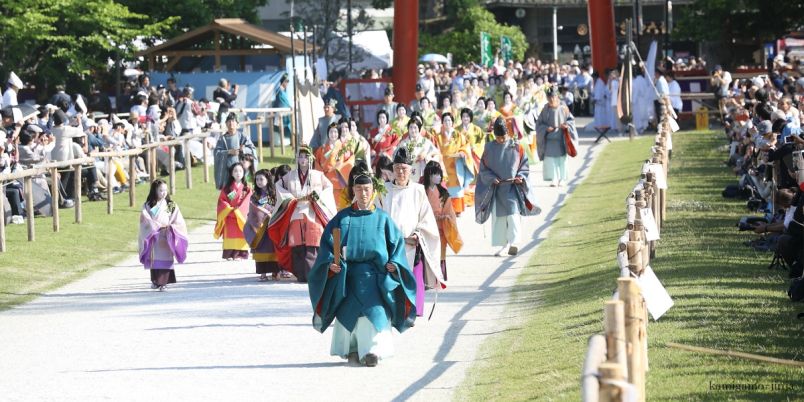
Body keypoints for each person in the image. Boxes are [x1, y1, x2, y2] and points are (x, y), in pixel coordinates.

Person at [307, 160, 417, 367]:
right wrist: (331, 263)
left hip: (375, 277)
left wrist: (394, 262)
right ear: (353, 191)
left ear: (374, 190)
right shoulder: (342, 218)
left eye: (367, 189)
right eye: (358, 189)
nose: (363, 194)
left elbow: (397, 246)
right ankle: (352, 348)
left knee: (374, 311)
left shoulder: (383, 219)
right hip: (348, 276)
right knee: (350, 311)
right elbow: (328, 246)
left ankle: (373, 351)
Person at [377, 147, 444, 317]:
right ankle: (393, 310)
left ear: (411, 170)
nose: (401, 172)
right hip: (389, 244)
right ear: (392, 169)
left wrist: (418, 234)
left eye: (404, 169)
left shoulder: (418, 190)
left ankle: (413, 309)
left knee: (413, 277)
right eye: (397, 168)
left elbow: (426, 218)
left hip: (412, 243)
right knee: (390, 277)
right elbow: (377, 215)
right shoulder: (384, 190)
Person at [269, 145, 337, 282]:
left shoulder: (318, 175)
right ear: (297, 158)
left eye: (306, 156)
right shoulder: (290, 176)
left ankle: (314, 274)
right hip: (295, 211)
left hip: (313, 212)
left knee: (314, 242)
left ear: (310, 158)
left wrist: (317, 197)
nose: (303, 159)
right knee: (297, 244)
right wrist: (291, 200)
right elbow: (278, 186)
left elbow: (329, 187)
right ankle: (301, 274)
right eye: (300, 156)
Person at [476, 118, 533, 256]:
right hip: (497, 187)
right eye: (498, 137)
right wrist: (491, 178)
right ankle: (502, 245)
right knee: (499, 219)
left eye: (503, 137)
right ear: (494, 135)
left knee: (513, 215)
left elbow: (524, 165)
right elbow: (483, 168)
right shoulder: (489, 148)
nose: (501, 140)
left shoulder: (516, 146)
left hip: (512, 186)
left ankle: (512, 243)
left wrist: (521, 176)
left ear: (507, 133)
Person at [138, 179, 188, 291]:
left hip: (167, 235)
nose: (164, 192)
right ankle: (155, 281)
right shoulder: (149, 205)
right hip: (154, 236)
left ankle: (164, 282)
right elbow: (145, 219)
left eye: (165, 190)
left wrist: (172, 227)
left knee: (166, 258)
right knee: (155, 259)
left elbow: (178, 219)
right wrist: (153, 225)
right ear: (154, 191)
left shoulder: (170, 205)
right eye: (161, 190)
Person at [422, 161, 461, 280]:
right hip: (426, 227)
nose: (439, 177)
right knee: (426, 251)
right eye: (436, 174)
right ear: (429, 175)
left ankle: (439, 276)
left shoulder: (444, 193)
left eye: (440, 174)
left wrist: (446, 218)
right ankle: (427, 278)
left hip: (441, 227)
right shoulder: (421, 192)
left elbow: (449, 211)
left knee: (440, 252)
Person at [536, 87, 578, 187]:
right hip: (549, 139)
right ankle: (554, 179)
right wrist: (546, 128)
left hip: (561, 138)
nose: (552, 99)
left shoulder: (563, 107)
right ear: (546, 98)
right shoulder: (545, 109)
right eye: (549, 97)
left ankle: (562, 179)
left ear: (557, 96)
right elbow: (539, 124)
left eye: (553, 96)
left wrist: (567, 126)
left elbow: (571, 120)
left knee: (561, 160)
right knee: (550, 160)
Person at [243, 169, 281, 281]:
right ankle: (263, 273)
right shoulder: (255, 196)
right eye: (257, 179)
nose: (259, 181)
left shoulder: (275, 194)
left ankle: (276, 271)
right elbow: (253, 210)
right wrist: (263, 213)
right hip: (259, 228)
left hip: (272, 225)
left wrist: (271, 212)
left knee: (273, 248)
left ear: (268, 180)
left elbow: (279, 206)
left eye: (261, 179)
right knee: (261, 249)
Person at [436, 112, 475, 215]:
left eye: (449, 120)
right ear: (442, 123)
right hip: (443, 165)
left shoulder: (458, 135)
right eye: (445, 120)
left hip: (456, 164)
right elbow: (435, 149)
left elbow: (466, 146)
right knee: (444, 186)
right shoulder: (439, 137)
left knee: (457, 188)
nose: (447, 122)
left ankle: (457, 210)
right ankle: (446, 208)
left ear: (452, 122)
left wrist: (462, 152)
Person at [214, 163, 252, 261]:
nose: (238, 173)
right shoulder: (227, 189)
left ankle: (241, 254)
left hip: (241, 216)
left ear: (244, 173)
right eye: (235, 171)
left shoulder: (247, 189)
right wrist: (229, 209)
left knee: (241, 233)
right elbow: (222, 201)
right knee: (230, 234)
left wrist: (239, 211)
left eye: (240, 171)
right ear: (231, 173)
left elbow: (248, 202)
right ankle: (229, 254)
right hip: (229, 215)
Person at [315, 123, 354, 209]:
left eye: (335, 132)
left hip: (340, 180)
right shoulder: (322, 149)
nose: (333, 134)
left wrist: (340, 167)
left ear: (339, 133)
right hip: (326, 180)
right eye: (331, 132)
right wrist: (321, 175)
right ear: (328, 133)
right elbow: (316, 163)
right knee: (328, 207)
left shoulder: (343, 147)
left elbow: (350, 160)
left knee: (340, 207)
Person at [214, 113, 256, 190]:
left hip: (242, 170)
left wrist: (243, 150)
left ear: (237, 124)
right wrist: (228, 152)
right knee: (230, 192)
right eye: (229, 121)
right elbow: (217, 153)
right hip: (227, 171)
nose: (231, 123)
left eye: (233, 121)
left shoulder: (243, 137)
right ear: (226, 124)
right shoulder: (222, 139)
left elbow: (252, 149)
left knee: (242, 190)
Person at [395, 114, 440, 183]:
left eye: (415, 127)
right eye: (411, 128)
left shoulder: (426, 142)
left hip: (424, 175)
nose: (413, 130)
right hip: (408, 176)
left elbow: (436, 154)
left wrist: (426, 156)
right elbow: (395, 158)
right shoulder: (403, 144)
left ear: (419, 129)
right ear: (408, 129)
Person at [272, 75, 292, 143]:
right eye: (286, 81)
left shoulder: (284, 91)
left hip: (286, 113)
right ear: (283, 81)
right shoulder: (279, 90)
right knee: (279, 126)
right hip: (279, 113)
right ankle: (280, 142)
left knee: (286, 126)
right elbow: (278, 99)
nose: (287, 83)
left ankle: (287, 141)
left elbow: (286, 102)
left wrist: (290, 106)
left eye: (288, 82)